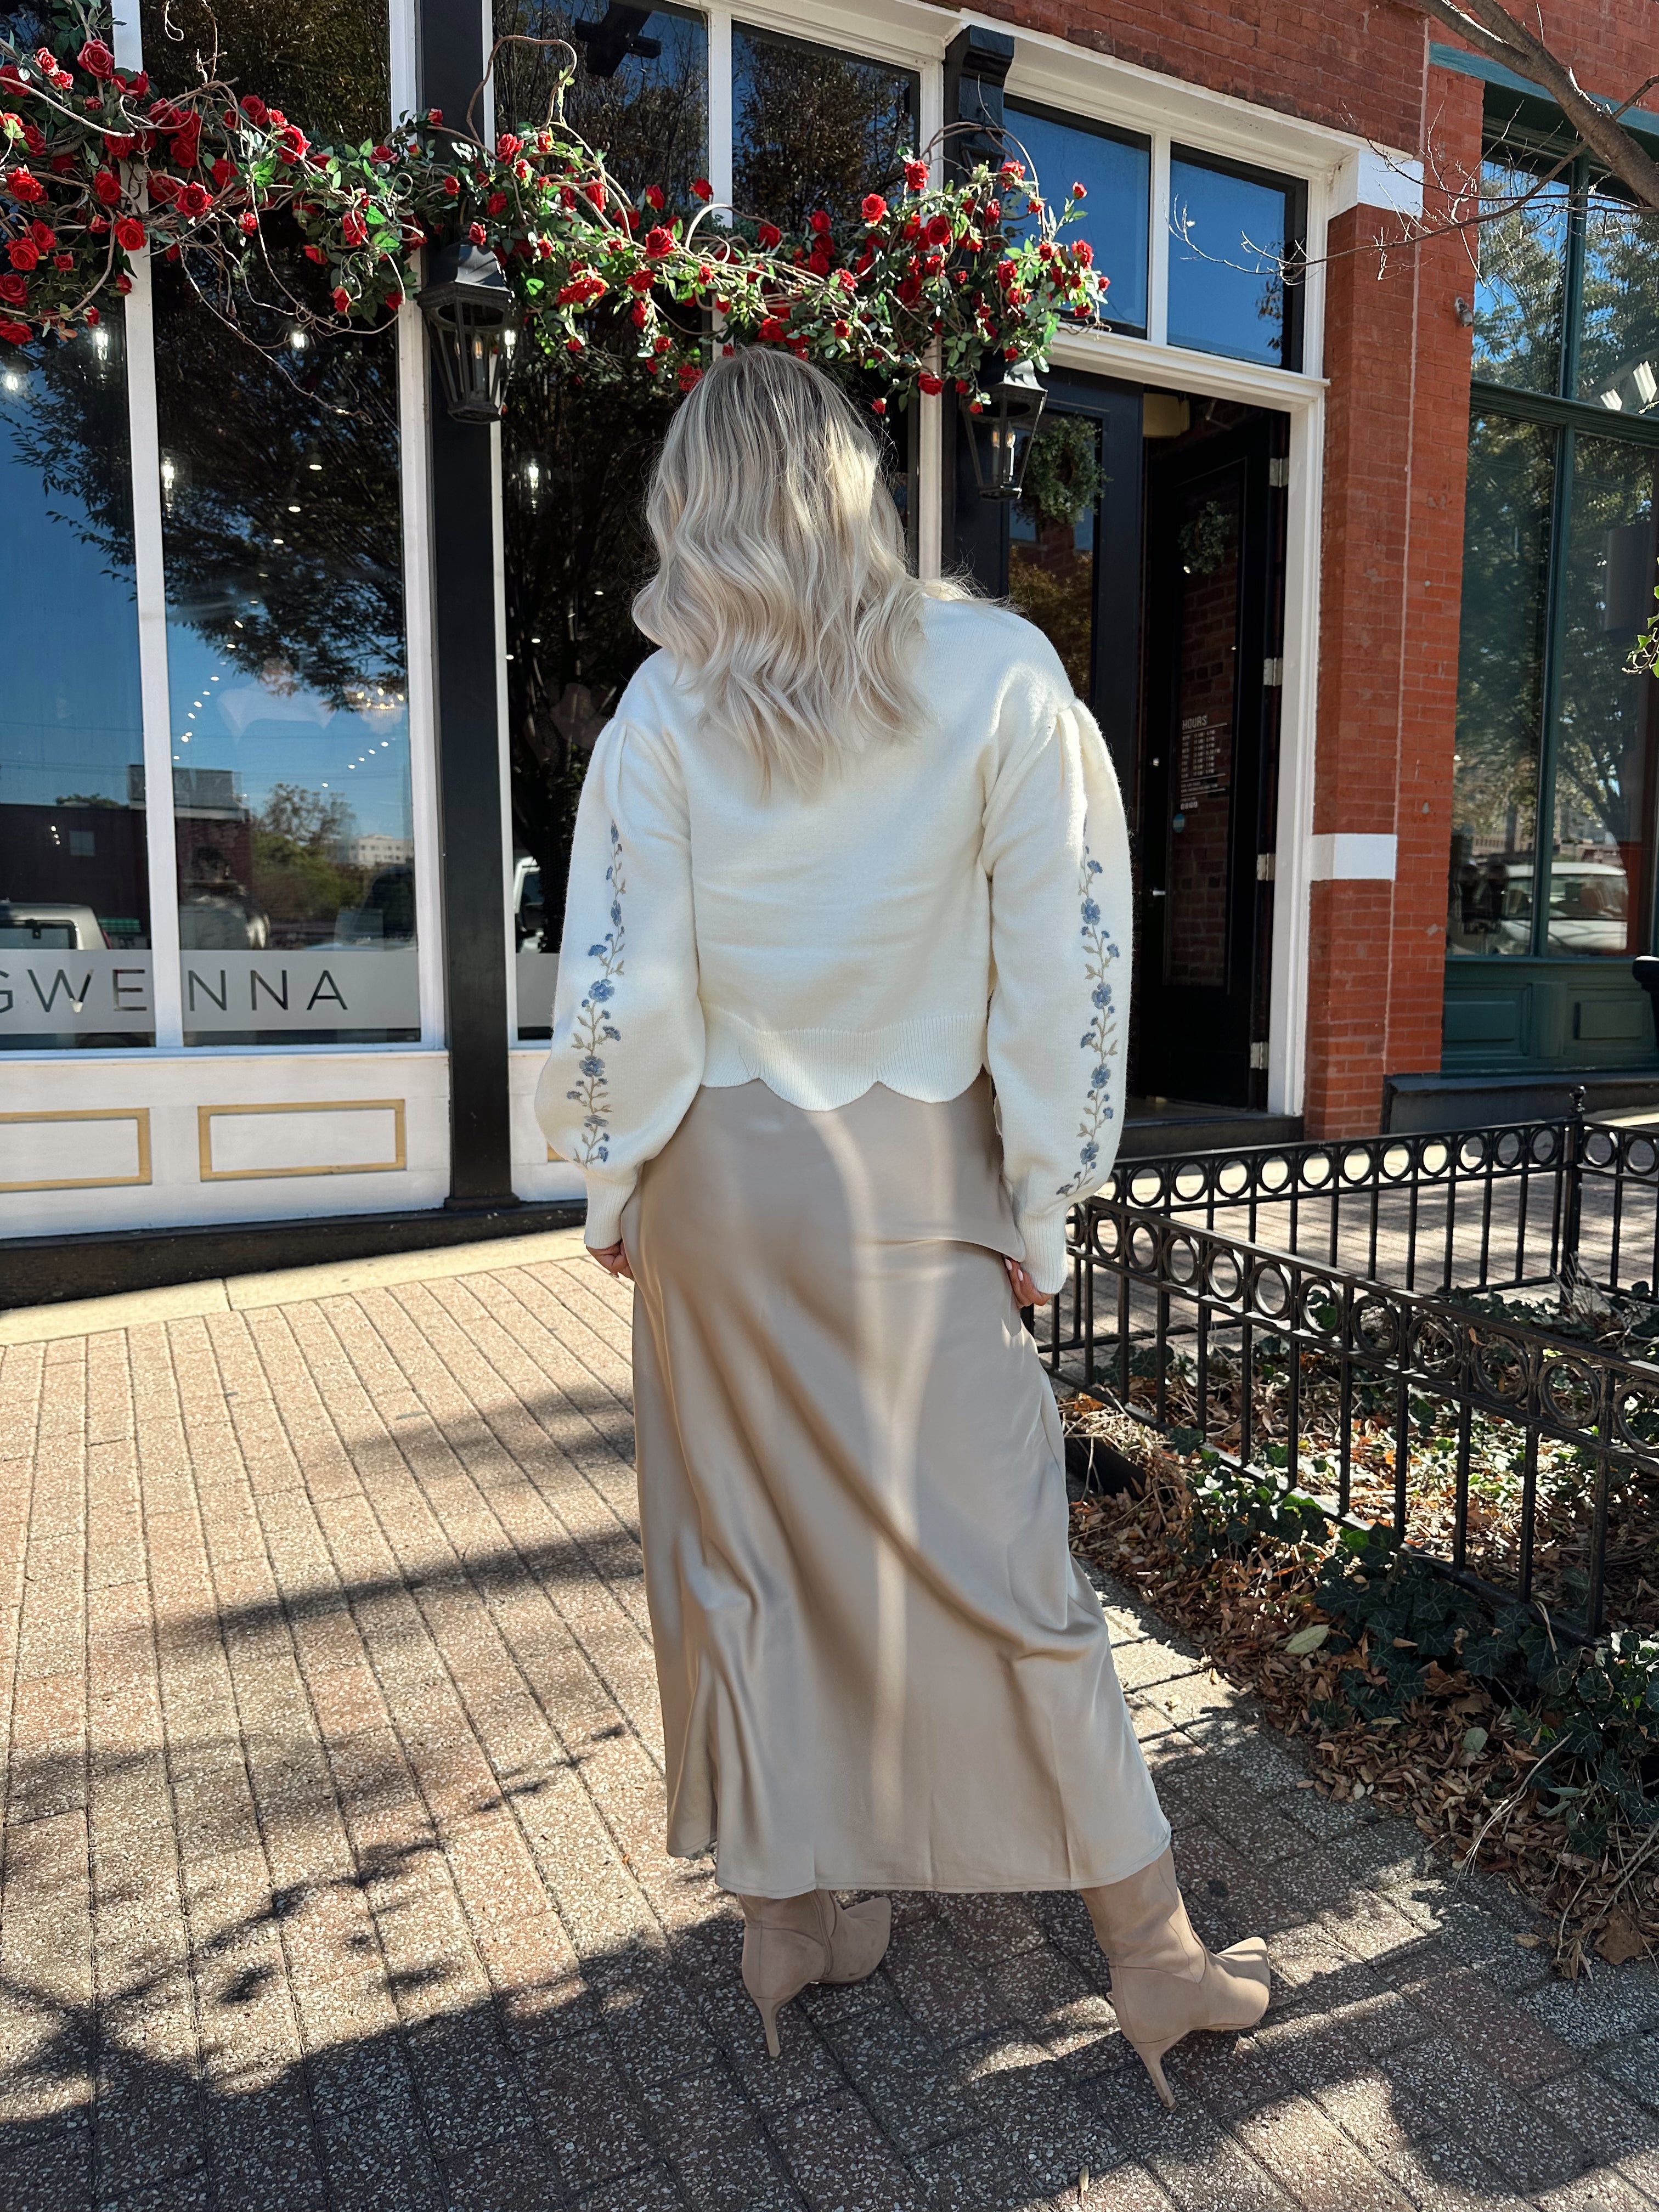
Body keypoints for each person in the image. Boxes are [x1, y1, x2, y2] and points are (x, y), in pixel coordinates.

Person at [535, 348, 1268, 2107]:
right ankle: (1153, 1957)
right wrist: (1044, 1201)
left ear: (692, 509)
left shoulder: (665, 710)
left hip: (714, 1186)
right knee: (1007, 1565)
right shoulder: (997, 674)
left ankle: (792, 1921)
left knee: (742, 1557)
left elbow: (625, 985)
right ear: (856, 483)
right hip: (914, 1175)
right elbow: (1068, 971)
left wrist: (611, 1182)